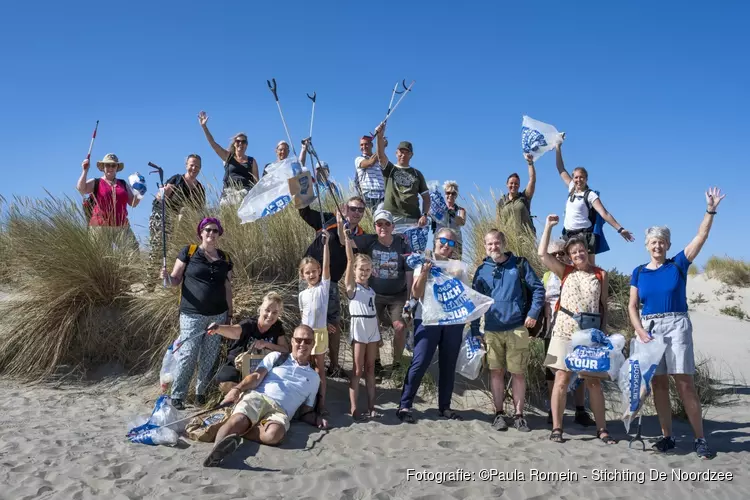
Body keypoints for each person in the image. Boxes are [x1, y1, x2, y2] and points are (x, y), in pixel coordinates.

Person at [628, 188, 725, 460]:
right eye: (653, 242)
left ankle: (700, 438)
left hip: (676, 325)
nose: (657, 245)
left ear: (668, 245)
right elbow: (632, 306)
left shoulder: (678, 265)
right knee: (658, 384)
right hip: (649, 329)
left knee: (684, 383)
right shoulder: (638, 272)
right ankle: (667, 436)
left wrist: (710, 210)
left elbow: (701, 237)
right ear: (646, 245)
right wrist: (639, 330)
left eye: (662, 241)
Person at [203, 325, 329, 468]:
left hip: (280, 411)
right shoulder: (276, 357)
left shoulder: (314, 378)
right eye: (299, 340)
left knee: (274, 435)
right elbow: (256, 376)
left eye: (307, 341)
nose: (302, 344)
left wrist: (316, 419)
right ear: (292, 341)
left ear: (313, 344)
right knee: (240, 419)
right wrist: (237, 389)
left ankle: (239, 430)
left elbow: (306, 411)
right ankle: (216, 452)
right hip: (259, 397)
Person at [538, 214, 613, 445]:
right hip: (563, 331)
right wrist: (549, 227)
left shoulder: (600, 274)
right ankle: (557, 428)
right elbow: (542, 254)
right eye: (573, 253)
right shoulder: (565, 272)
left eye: (581, 250)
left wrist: (604, 334)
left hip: (589, 335)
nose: (578, 254)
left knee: (593, 382)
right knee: (561, 378)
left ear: (586, 250)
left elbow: (604, 307)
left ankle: (602, 429)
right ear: (569, 257)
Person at [470, 230, 544, 432]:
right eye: (489, 244)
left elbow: (538, 289)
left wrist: (533, 313)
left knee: (518, 373)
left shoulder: (519, 264)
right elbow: (476, 302)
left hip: (517, 328)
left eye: (497, 243)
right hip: (492, 330)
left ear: (504, 243)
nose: (494, 247)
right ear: (485, 246)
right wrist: (475, 329)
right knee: (496, 372)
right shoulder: (482, 270)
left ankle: (519, 416)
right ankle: (499, 414)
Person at [160, 217, 233, 410]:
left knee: (209, 355)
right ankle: (178, 395)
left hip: (218, 314)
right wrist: (166, 278)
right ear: (201, 232)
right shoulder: (189, 252)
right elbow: (175, 280)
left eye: (215, 231)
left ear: (219, 234)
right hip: (192, 314)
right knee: (188, 354)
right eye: (207, 230)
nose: (211, 233)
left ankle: (201, 393)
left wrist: (230, 313)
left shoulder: (225, 258)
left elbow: (227, 286)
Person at [397, 228, 467, 424]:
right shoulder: (424, 262)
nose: (446, 245)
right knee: (420, 362)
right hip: (427, 319)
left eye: (451, 243)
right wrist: (425, 273)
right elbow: (416, 293)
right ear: (435, 241)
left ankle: (444, 407)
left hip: (453, 321)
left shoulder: (458, 267)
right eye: (443, 241)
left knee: (448, 364)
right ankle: (404, 405)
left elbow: (464, 295)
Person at [298, 196, 367, 379]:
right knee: (308, 321)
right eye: (353, 209)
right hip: (309, 278)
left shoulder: (359, 234)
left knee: (333, 324)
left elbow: (348, 247)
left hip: (332, 283)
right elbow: (303, 211)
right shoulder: (326, 218)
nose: (356, 213)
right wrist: (301, 188)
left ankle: (334, 365)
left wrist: (340, 224)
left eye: (361, 210)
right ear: (345, 208)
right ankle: (307, 363)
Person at [542, 239, 595, 427]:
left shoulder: (572, 273)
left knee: (580, 372)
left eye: (561, 253)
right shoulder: (548, 276)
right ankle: (554, 411)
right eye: (554, 254)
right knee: (554, 372)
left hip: (578, 328)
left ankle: (580, 410)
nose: (558, 256)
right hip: (553, 328)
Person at [352, 209, 413, 373]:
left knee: (400, 327)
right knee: (373, 325)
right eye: (379, 224)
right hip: (375, 294)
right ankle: (376, 362)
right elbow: (347, 242)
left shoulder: (402, 243)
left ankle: (397, 363)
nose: (383, 227)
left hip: (398, 295)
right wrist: (342, 224)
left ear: (393, 226)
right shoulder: (370, 241)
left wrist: (409, 298)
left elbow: (408, 272)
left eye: (387, 223)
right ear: (375, 226)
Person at [554, 141, 634, 264]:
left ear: (586, 179)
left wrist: (620, 229)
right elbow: (560, 168)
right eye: (576, 177)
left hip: (584, 236)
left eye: (581, 177)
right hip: (569, 236)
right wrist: (558, 147)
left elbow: (604, 213)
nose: (578, 180)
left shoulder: (590, 195)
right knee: (570, 270)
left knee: (589, 268)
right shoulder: (571, 189)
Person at [209, 292, 289, 394]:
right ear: (260, 309)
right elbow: (234, 331)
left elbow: (285, 350)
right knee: (226, 382)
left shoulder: (277, 327)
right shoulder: (249, 324)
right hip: (238, 364)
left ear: (279, 313)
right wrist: (218, 328)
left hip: (261, 369)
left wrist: (266, 344)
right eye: (267, 310)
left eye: (274, 312)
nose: (270, 315)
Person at [344, 232, 381, 420]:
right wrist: (348, 244)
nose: (364, 272)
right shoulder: (352, 288)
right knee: (357, 369)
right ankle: (354, 407)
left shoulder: (370, 289)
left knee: (370, 368)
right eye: (361, 269)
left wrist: (379, 333)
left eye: (367, 269)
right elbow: (350, 262)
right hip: (358, 325)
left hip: (372, 326)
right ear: (355, 270)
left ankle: (372, 406)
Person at [148, 154, 206, 275]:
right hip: (162, 216)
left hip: (180, 222)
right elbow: (159, 198)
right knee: (158, 249)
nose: (194, 168)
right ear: (186, 166)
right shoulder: (177, 179)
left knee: (175, 249)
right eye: (191, 165)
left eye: (197, 166)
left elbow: (199, 211)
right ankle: (150, 284)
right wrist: (162, 192)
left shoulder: (200, 188)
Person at [77, 153, 141, 251]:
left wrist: (140, 192)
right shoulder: (96, 182)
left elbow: (133, 203)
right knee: (101, 258)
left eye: (113, 165)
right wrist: (85, 171)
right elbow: (81, 189)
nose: (110, 168)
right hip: (100, 226)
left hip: (122, 226)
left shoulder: (123, 183)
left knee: (133, 251)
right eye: (107, 165)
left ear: (117, 167)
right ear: (103, 167)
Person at [298, 231, 331, 415]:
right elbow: (303, 317)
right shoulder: (302, 295)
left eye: (314, 271)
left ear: (319, 271)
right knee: (305, 367)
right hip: (305, 335)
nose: (311, 274)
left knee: (319, 369)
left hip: (320, 333)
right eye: (307, 272)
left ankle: (321, 403)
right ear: (303, 275)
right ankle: (305, 402)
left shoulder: (323, 288)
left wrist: (326, 245)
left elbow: (327, 267)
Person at [374, 121, 430, 227]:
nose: (403, 155)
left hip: (413, 219)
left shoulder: (417, 174)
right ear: (396, 153)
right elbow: (381, 155)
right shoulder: (390, 168)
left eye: (407, 152)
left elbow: (426, 198)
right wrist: (379, 136)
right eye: (401, 151)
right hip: (391, 219)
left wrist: (425, 215)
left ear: (411, 155)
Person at [197, 111, 259, 205]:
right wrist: (204, 127)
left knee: (243, 196)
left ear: (246, 145)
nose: (240, 144)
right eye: (238, 141)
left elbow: (256, 182)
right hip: (229, 194)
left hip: (245, 194)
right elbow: (213, 144)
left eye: (243, 142)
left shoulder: (251, 161)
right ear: (234, 143)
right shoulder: (228, 157)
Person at [497, 154, 537, 235]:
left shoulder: (524, 197)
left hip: (525, 240)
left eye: (516, 183)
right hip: (509, 241)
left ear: (519, 185)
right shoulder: (501, 201)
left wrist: (530, 163)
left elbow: (532, 180)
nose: (513, 185)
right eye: (511, 183)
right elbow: (498, 223)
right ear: (507, 184)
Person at [432, 181, 466, 258]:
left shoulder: (460, 210)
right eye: (448, 193)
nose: (450, 195)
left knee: (454, 266)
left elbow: (461, 222)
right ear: (445, 194)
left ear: (456, 195)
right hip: (440, 241)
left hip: (455, 243)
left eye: (453, 193)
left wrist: (453, 214)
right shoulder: (438, 208)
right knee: (438, 263)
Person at [354, 135, 386, 211]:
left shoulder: (380, 159)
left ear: (372, 145)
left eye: (366, 144)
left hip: (383, 196)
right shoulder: (359, 159)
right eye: (361, 145)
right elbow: (370, 163)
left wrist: (381, 145)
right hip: (369, 196)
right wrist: (381, 146)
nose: (364, 147)